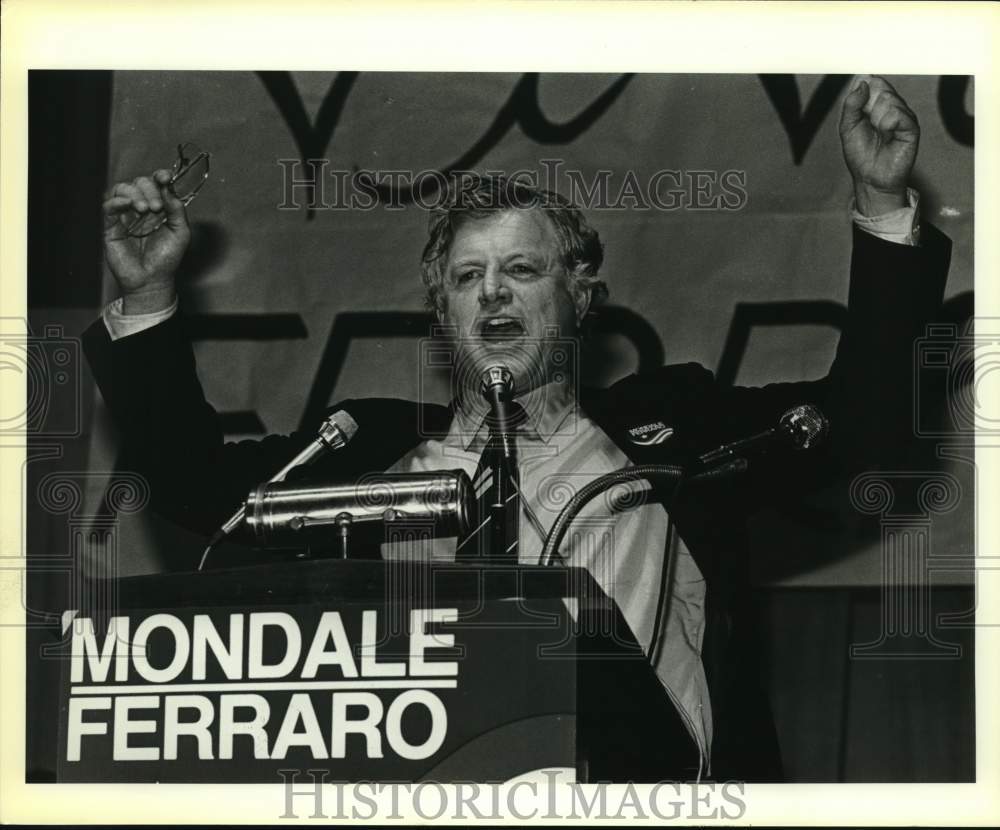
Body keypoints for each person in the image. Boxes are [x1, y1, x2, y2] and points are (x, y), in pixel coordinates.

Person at [83, 75, 951, 781]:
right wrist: (149, 295)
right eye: (468, 277)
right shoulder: (369, 450)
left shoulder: (676, 428)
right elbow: (198, 489)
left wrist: (882, 206)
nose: (493, 292)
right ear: (443, 312)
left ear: (579, 295)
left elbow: (865, 428)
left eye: (522, 269)